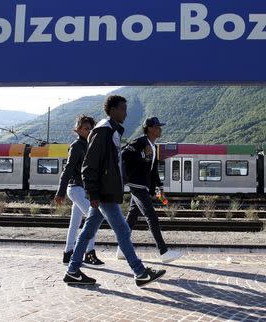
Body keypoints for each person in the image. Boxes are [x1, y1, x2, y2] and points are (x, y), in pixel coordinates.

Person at [63, 95, 166, 287]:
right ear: (112, 110)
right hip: (104, 192)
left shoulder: (111, 130)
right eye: (123, 109)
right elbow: (89, 165)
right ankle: (140, 272)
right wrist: (93, 193)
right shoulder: (103, 131)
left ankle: (73, 270)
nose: (126, 113)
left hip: (106, 189)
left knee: (87, 232)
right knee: (123, 230)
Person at [119, 117, 182, 263]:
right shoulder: (140, 142)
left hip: (144, 185)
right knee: (151, 216)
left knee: (131, 219)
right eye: (157, 126)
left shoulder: (154, 146)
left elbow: (153, 170)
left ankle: (121, 249)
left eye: (160, 126)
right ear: (149, 129)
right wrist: (141, 155)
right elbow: (124, 154)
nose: (160, 129)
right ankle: (163, 251)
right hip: (137, 185)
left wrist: (160, 188)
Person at [54, 115, 104, 266]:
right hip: (75, 188)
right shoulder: (77, 146)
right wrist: (60, 192)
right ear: (78, 129)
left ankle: (68, 253)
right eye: (85, 128)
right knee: (93, 217)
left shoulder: (88, 145)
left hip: (81, 189)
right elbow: (68, 169)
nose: (88, 131)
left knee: (75, 224)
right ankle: (89, 253)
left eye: (90, 128)